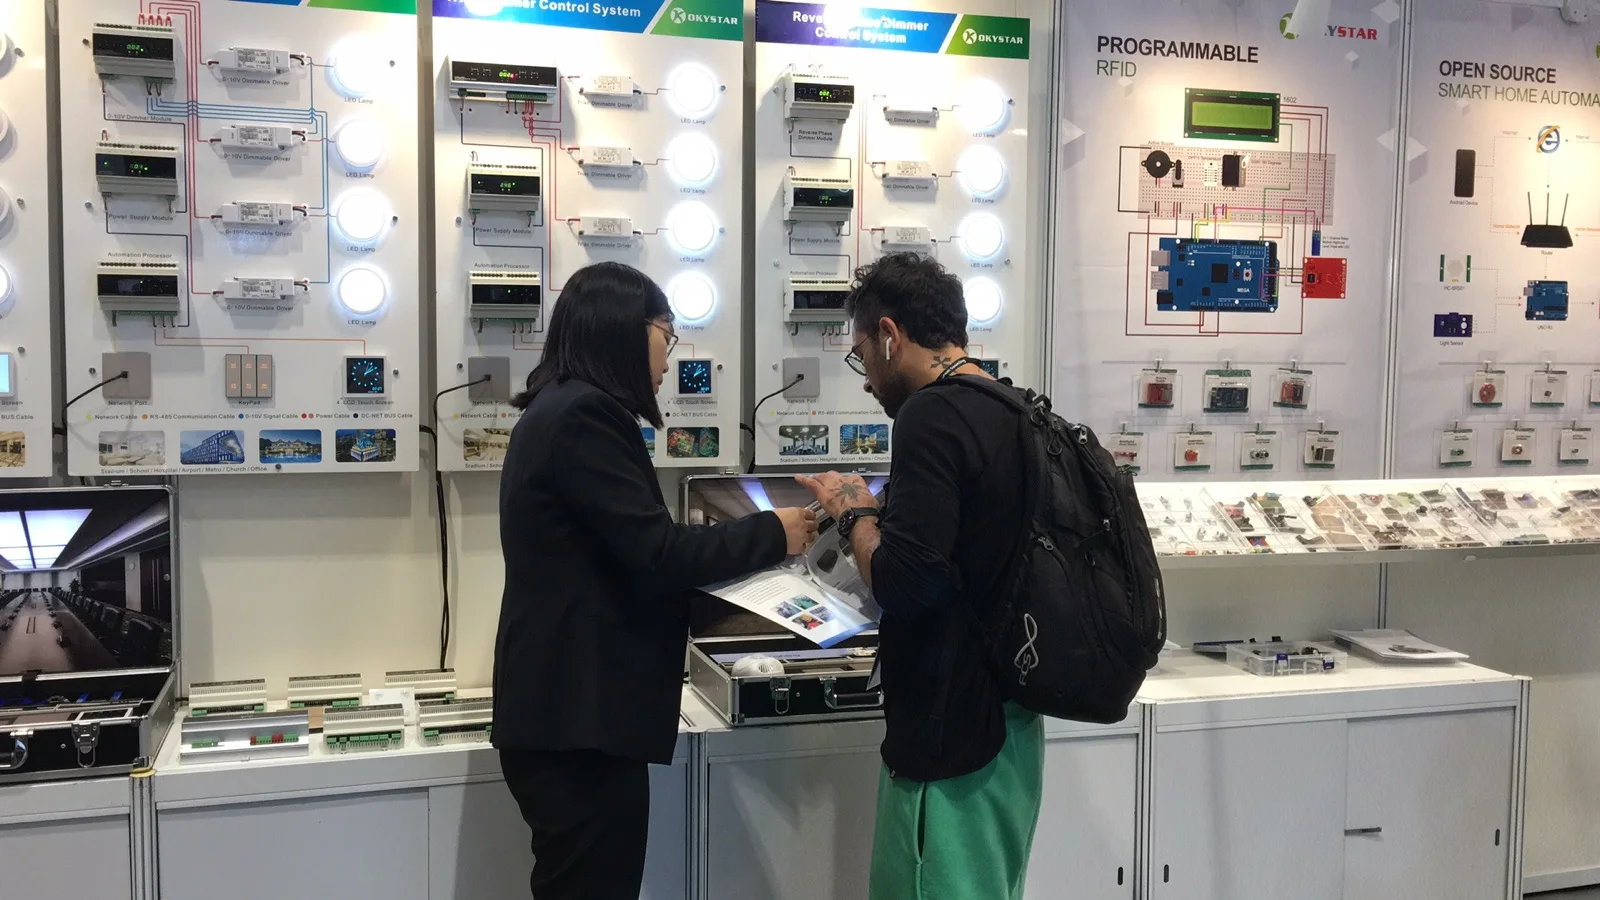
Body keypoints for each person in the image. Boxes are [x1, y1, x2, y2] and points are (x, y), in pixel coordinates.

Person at [493, 261, 817, 899]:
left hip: (566, 718)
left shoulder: (557, 410)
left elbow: (625, 558)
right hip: (579, 726)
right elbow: (658, 553)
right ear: (625, 330)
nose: (669, 359)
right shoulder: (585, 415)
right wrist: (773, 533)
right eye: (666, 336)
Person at [797, 252, 1043, 900]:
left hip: (949, 740)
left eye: (862, 356)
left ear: (889, 335)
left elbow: (907, 584)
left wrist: (854, 511)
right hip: (1010, 729)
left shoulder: (930, 416)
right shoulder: (1013, 409)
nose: (867, 381)